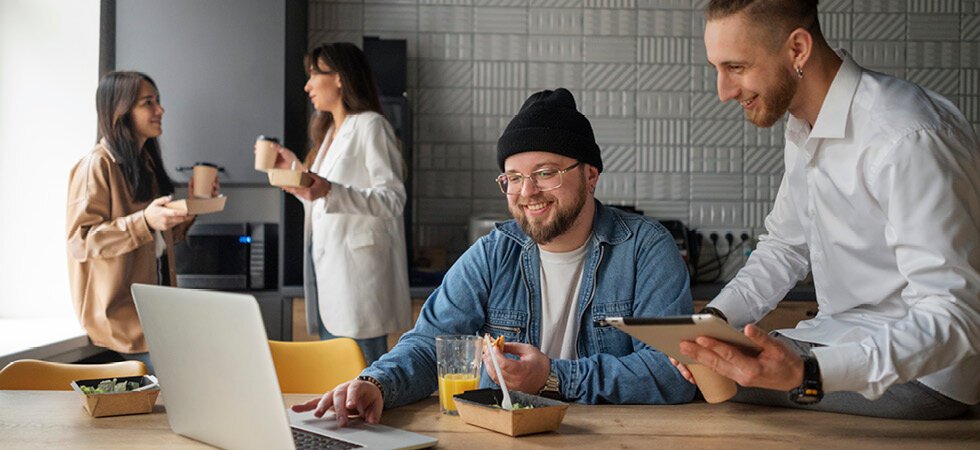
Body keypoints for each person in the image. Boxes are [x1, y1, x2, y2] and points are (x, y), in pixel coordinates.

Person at [292, 88, 697, 426]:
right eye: (514, 178)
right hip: (504, 438)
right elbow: (428, 344)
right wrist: (375, 384)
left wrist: (552, 377)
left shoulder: (646, 248)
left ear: (590, 175)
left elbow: (674, 373)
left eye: (545, 173)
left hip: (622, 437)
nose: (527, 192)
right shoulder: (493, 252)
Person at [674, 0, 980, 419]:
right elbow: (785, 247)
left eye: (736, 68)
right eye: (717, 68)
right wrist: (713, 321)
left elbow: (956, 316)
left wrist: (808, 371)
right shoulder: (803, 125)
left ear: (798, 49)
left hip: (923, 373)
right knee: (703, 363)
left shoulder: (906, 137)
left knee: (688, 381)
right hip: (839, 338)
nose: (723, 91)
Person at [266, 42, 411, 364]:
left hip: (359, 278)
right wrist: (298, 177)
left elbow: (392, 200)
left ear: (340, 78)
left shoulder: (371, 126)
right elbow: (325, 203)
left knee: (363, 376)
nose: (307, 86)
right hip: (327, 268)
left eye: (314, 75)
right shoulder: (330, 132)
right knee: (337, 376)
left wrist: (330, 190)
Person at [67, 71, 213, 374]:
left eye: (158, 101)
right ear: (121, 110)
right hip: (123, 323)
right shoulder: (97, 165)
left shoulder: (143, 163)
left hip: (155, 317)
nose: (160, 110)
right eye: (149, 102)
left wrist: (193, 207)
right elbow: (81, 242)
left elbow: (159, 242)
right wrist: (144, 221)